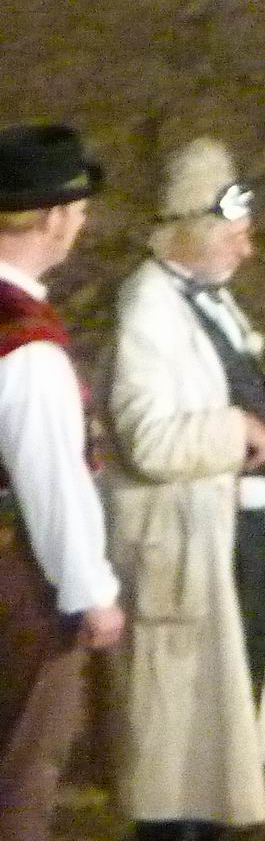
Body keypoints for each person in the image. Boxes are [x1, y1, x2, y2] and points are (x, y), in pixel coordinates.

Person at [102, 138, 265, 841]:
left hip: (226, 534)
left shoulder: (205, 299)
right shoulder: (147, 311)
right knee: (181, 755)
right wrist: (238, 429)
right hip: (184, 551)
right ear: (189, 230)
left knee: (219, 730)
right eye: (233, 234)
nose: (247, 250)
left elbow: (225, 375)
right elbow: (150, 440)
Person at [0, 122, 124, 841]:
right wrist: (90, 591)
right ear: (52, 218)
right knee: (20, 775)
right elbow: (51, 484)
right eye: (77, 212)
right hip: (17, 584)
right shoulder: (26, 346)